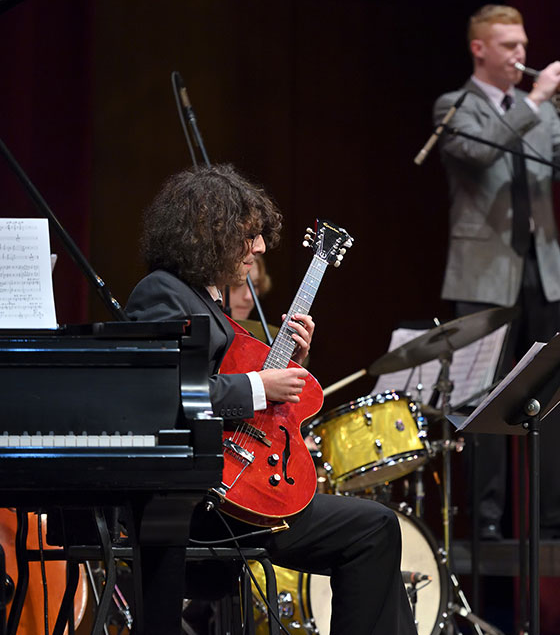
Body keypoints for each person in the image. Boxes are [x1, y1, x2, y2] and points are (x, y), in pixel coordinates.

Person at [125, 164, 416, 635]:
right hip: (201, 500)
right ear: (208, 231)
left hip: (234, 484)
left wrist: (289, 360)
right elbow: (166, 392)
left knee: (377, 528)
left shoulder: (205, 298)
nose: (260, 248)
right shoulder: (162, 293)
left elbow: (223, 374)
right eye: (249, 237)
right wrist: (264, 386)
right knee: (374, 531)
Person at [432, 4, 560, 540]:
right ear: (479, 49)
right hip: (484, 273)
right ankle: (485, 518)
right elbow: (480, 158)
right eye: (509, 46)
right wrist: (534, 101)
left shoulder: (542, 111)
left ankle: (554, 510)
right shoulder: (454, 106)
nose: (521, 56)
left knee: (553, 388)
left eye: (524, 45)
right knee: (482, 396)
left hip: (543, 267)